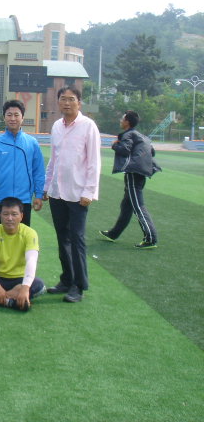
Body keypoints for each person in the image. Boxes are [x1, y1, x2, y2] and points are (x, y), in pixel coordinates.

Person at [44, 85, 101, 303]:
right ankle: (66, 279)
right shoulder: (57, 126)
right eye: (63, 99)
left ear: (79, 102)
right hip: (58, 192)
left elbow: (94, 162)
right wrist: (47, 186)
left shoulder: (88, 126)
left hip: (78, 194)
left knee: (77, 239)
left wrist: (89, 191)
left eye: (71, 99)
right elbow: (54, 158)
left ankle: (79, 285)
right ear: (58, 101)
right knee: (62, 238)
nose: (66, 103)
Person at [0, 99, 45, 229]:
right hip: (0, 200)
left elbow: (38, 171)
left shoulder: (32, 143)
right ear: (4, 117)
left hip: (23, 201)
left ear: (22, 118)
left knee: (21, 239)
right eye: (9, 115)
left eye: (16, 115)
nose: (13, 118)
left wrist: (39, 195)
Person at [100, 110, 160, 249]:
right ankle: (114, 234)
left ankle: (151, 238)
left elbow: (125, 150)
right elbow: (152, 152)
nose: (120, 121)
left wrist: (114, 145)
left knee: (138, 206)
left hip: (133, 172)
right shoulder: (141, 136)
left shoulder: (128, 134)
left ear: (127, 122)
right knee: (126, 206)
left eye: (122, 119)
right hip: (141, 172)